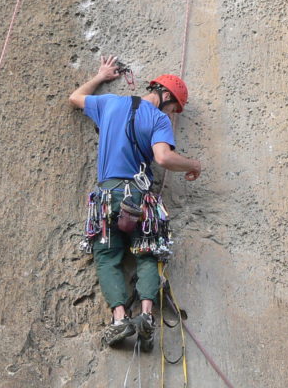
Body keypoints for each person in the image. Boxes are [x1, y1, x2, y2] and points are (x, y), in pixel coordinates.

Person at [68, 54, 203, 349]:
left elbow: (75, 97)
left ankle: (119, 320)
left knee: (106, 256)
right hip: (139, 198)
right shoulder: (158, 120)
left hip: (106, 197)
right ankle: (144, 316)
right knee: (148, 254)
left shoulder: (110, 103)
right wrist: (193, 165)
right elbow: (164, 158)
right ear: (165, 96)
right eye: (174, 108)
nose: (172, 114)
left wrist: (101, 76)